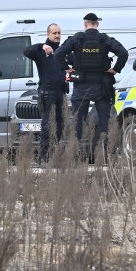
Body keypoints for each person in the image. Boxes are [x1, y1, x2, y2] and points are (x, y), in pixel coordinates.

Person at [55, 13, 128, 161]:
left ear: (85, 25)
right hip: (101, 85)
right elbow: (123, 53)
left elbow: (58, 54)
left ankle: (75, 157)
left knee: (77, 122)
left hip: (81, 85)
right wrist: (115, 70)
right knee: (105, 122)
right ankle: (106, 157)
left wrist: (67, 69)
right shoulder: (104, 39)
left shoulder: (77, 39)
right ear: (97, 25)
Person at [23, 23, 67, 163]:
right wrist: (41, 46)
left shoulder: (62, 51)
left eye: (59, 33)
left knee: (61, 125)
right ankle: (43, 157)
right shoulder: (42, 50)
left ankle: (58, 156)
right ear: (48, 34)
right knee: (47, 125)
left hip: (61, 92)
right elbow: (26, 51)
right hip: (47, 92)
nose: (57, 36)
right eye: (54, 33)